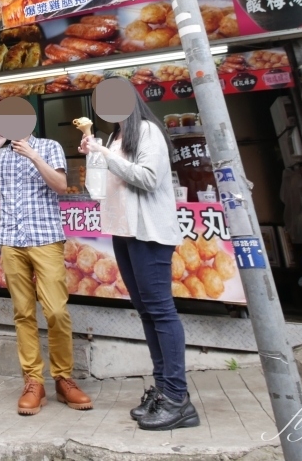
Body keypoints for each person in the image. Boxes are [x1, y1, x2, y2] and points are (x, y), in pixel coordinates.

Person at [80, 92, 199, 431]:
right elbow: (97, 190)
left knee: (161, 311)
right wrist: (94, 156)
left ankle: (178, 398)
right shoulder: (115, 137)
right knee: (146, 311)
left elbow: (148, 178)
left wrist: (104, 153)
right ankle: (163, 391)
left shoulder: (147, 130)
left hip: (149, 233)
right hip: (124, 232)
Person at [0, 98, 92, 416]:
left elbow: (60, 184)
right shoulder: (0, 155)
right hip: (11, 242)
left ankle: (64, 378)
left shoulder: (49, 146)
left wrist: (33, 155)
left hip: (45, 239)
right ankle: (33, 381)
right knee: (23, 313)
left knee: (56, 311)